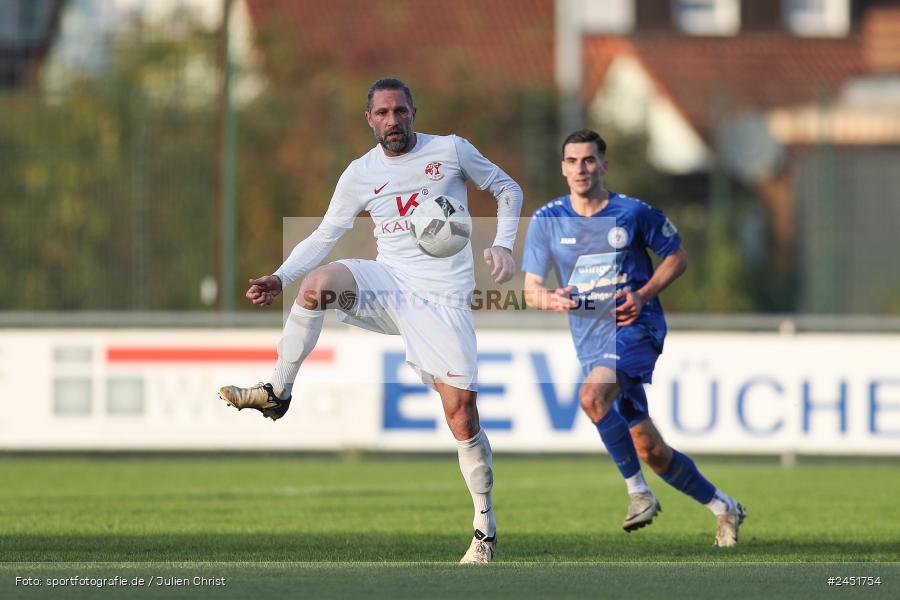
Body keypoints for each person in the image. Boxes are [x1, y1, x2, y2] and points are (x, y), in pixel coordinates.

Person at [218, 77, 522, 564]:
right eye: (382, 113)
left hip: (443, 298)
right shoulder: (360, 173)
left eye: (400, 111)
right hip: (389, 282)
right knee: (317, 284)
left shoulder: (451, 151)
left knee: (461, 414)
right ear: (369, 120)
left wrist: (504, 243)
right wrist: (280, 277)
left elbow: (507, 188)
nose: (392, 121)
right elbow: (324, 234)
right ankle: (278, 391)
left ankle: (483, 528)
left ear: (413, 113)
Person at [521, 129, 746, 547]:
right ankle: (724, 507)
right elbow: (530, 289)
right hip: (590, 340)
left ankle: (639, 494)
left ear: (603, 165)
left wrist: (643, 295)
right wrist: (551, 299)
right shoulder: (546, 220)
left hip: (636, 329)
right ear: (562, 168)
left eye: (589, 160)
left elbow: (677, 256)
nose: (581, 168)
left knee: (591, 397)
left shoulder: (633, 212)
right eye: (572, 161)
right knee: (650, 450)